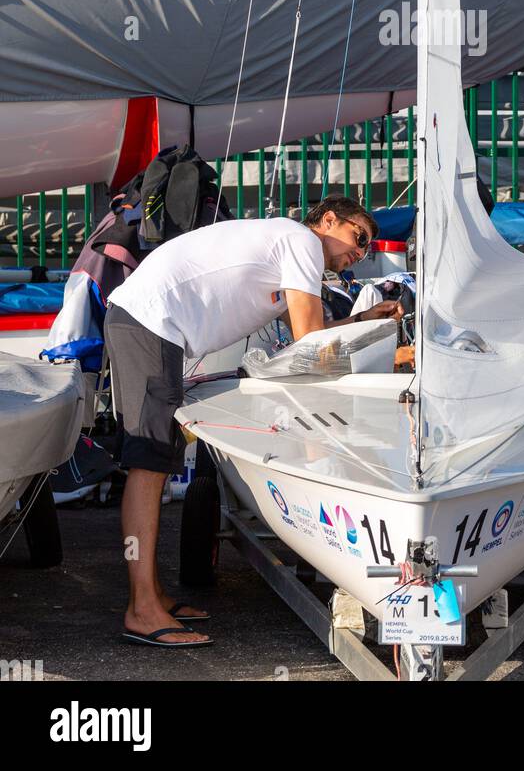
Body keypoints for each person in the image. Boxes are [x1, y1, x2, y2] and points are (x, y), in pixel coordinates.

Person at [104, 194, 401, 648]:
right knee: (149, 465)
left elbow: (310, 330)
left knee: (157, 463)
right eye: (358, 237)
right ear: (327, 220)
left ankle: (153, 595)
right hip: (151, 321)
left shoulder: (287, 249)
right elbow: (310, 344)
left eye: (366, 250)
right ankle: (141, 608)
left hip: (149, 322)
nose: (359, 254)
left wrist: (362, 318)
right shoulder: (301, 241)